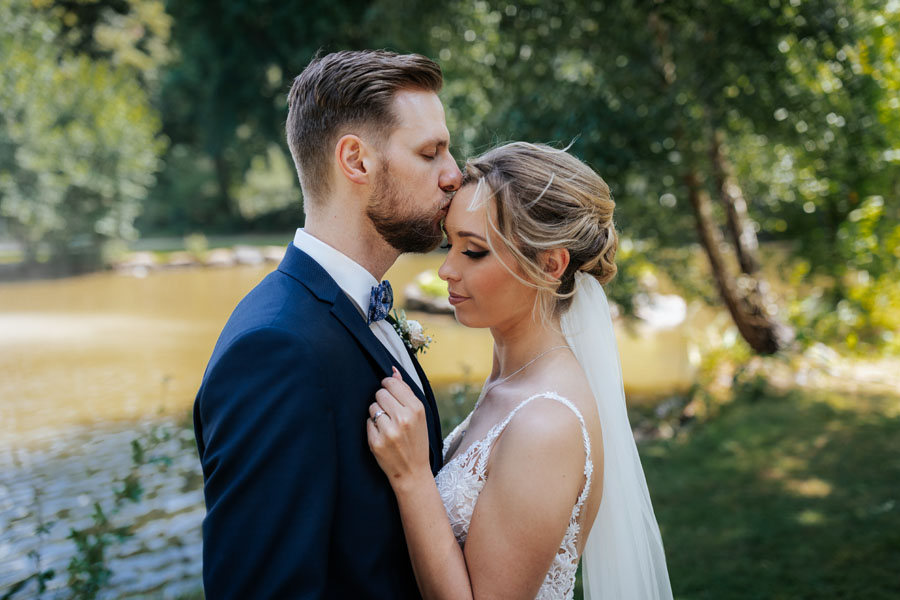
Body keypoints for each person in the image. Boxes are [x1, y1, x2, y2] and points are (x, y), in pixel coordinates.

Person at [193, 49, 462, 599]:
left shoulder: (357, 306)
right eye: (431, 153)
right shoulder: (275, 350)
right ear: (356, 161)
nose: (455, 175)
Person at [367, 142, 673, 599]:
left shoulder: (546, 424)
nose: (446, 270)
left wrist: (411, 477)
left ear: (550, 265)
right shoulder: (512, 380)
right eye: (451, 244)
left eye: (473, 252)